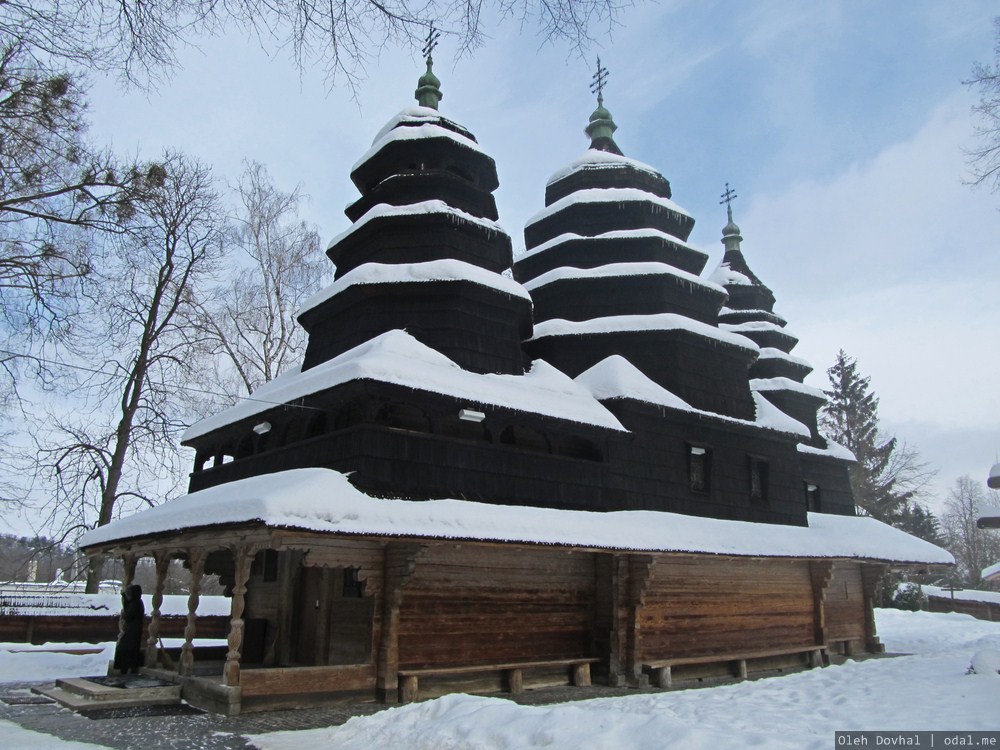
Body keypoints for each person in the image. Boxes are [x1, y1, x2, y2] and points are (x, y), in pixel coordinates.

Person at [113, 584, 145, 674]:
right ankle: (127, 668)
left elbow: (128, 615)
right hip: (131, 631)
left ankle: (126, 669)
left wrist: (124, 613)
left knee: (126, 651)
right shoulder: (136, 602)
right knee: (128, 651)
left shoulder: (136, 603)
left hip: (132, 632)